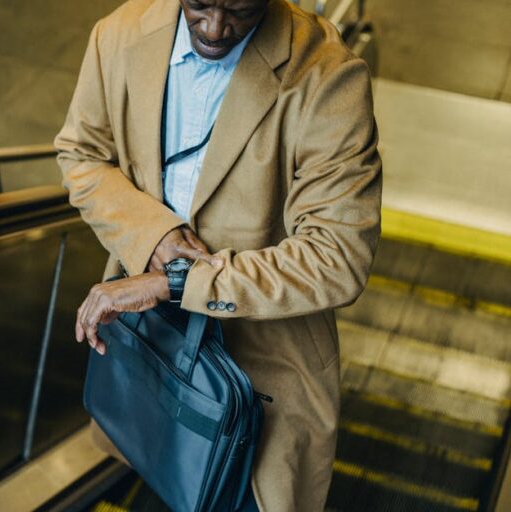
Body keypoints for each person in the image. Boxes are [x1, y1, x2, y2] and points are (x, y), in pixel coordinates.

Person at [55, 0, 382, 509]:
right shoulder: (119, 35)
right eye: (199, 4)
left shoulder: (328, 76)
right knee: (166, 470)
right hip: (153, 347)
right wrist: (154, 236)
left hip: (262, 374)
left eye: (239, 11)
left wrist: (178, 280)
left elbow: (338, 256)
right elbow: (82, 154)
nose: (214, 28)